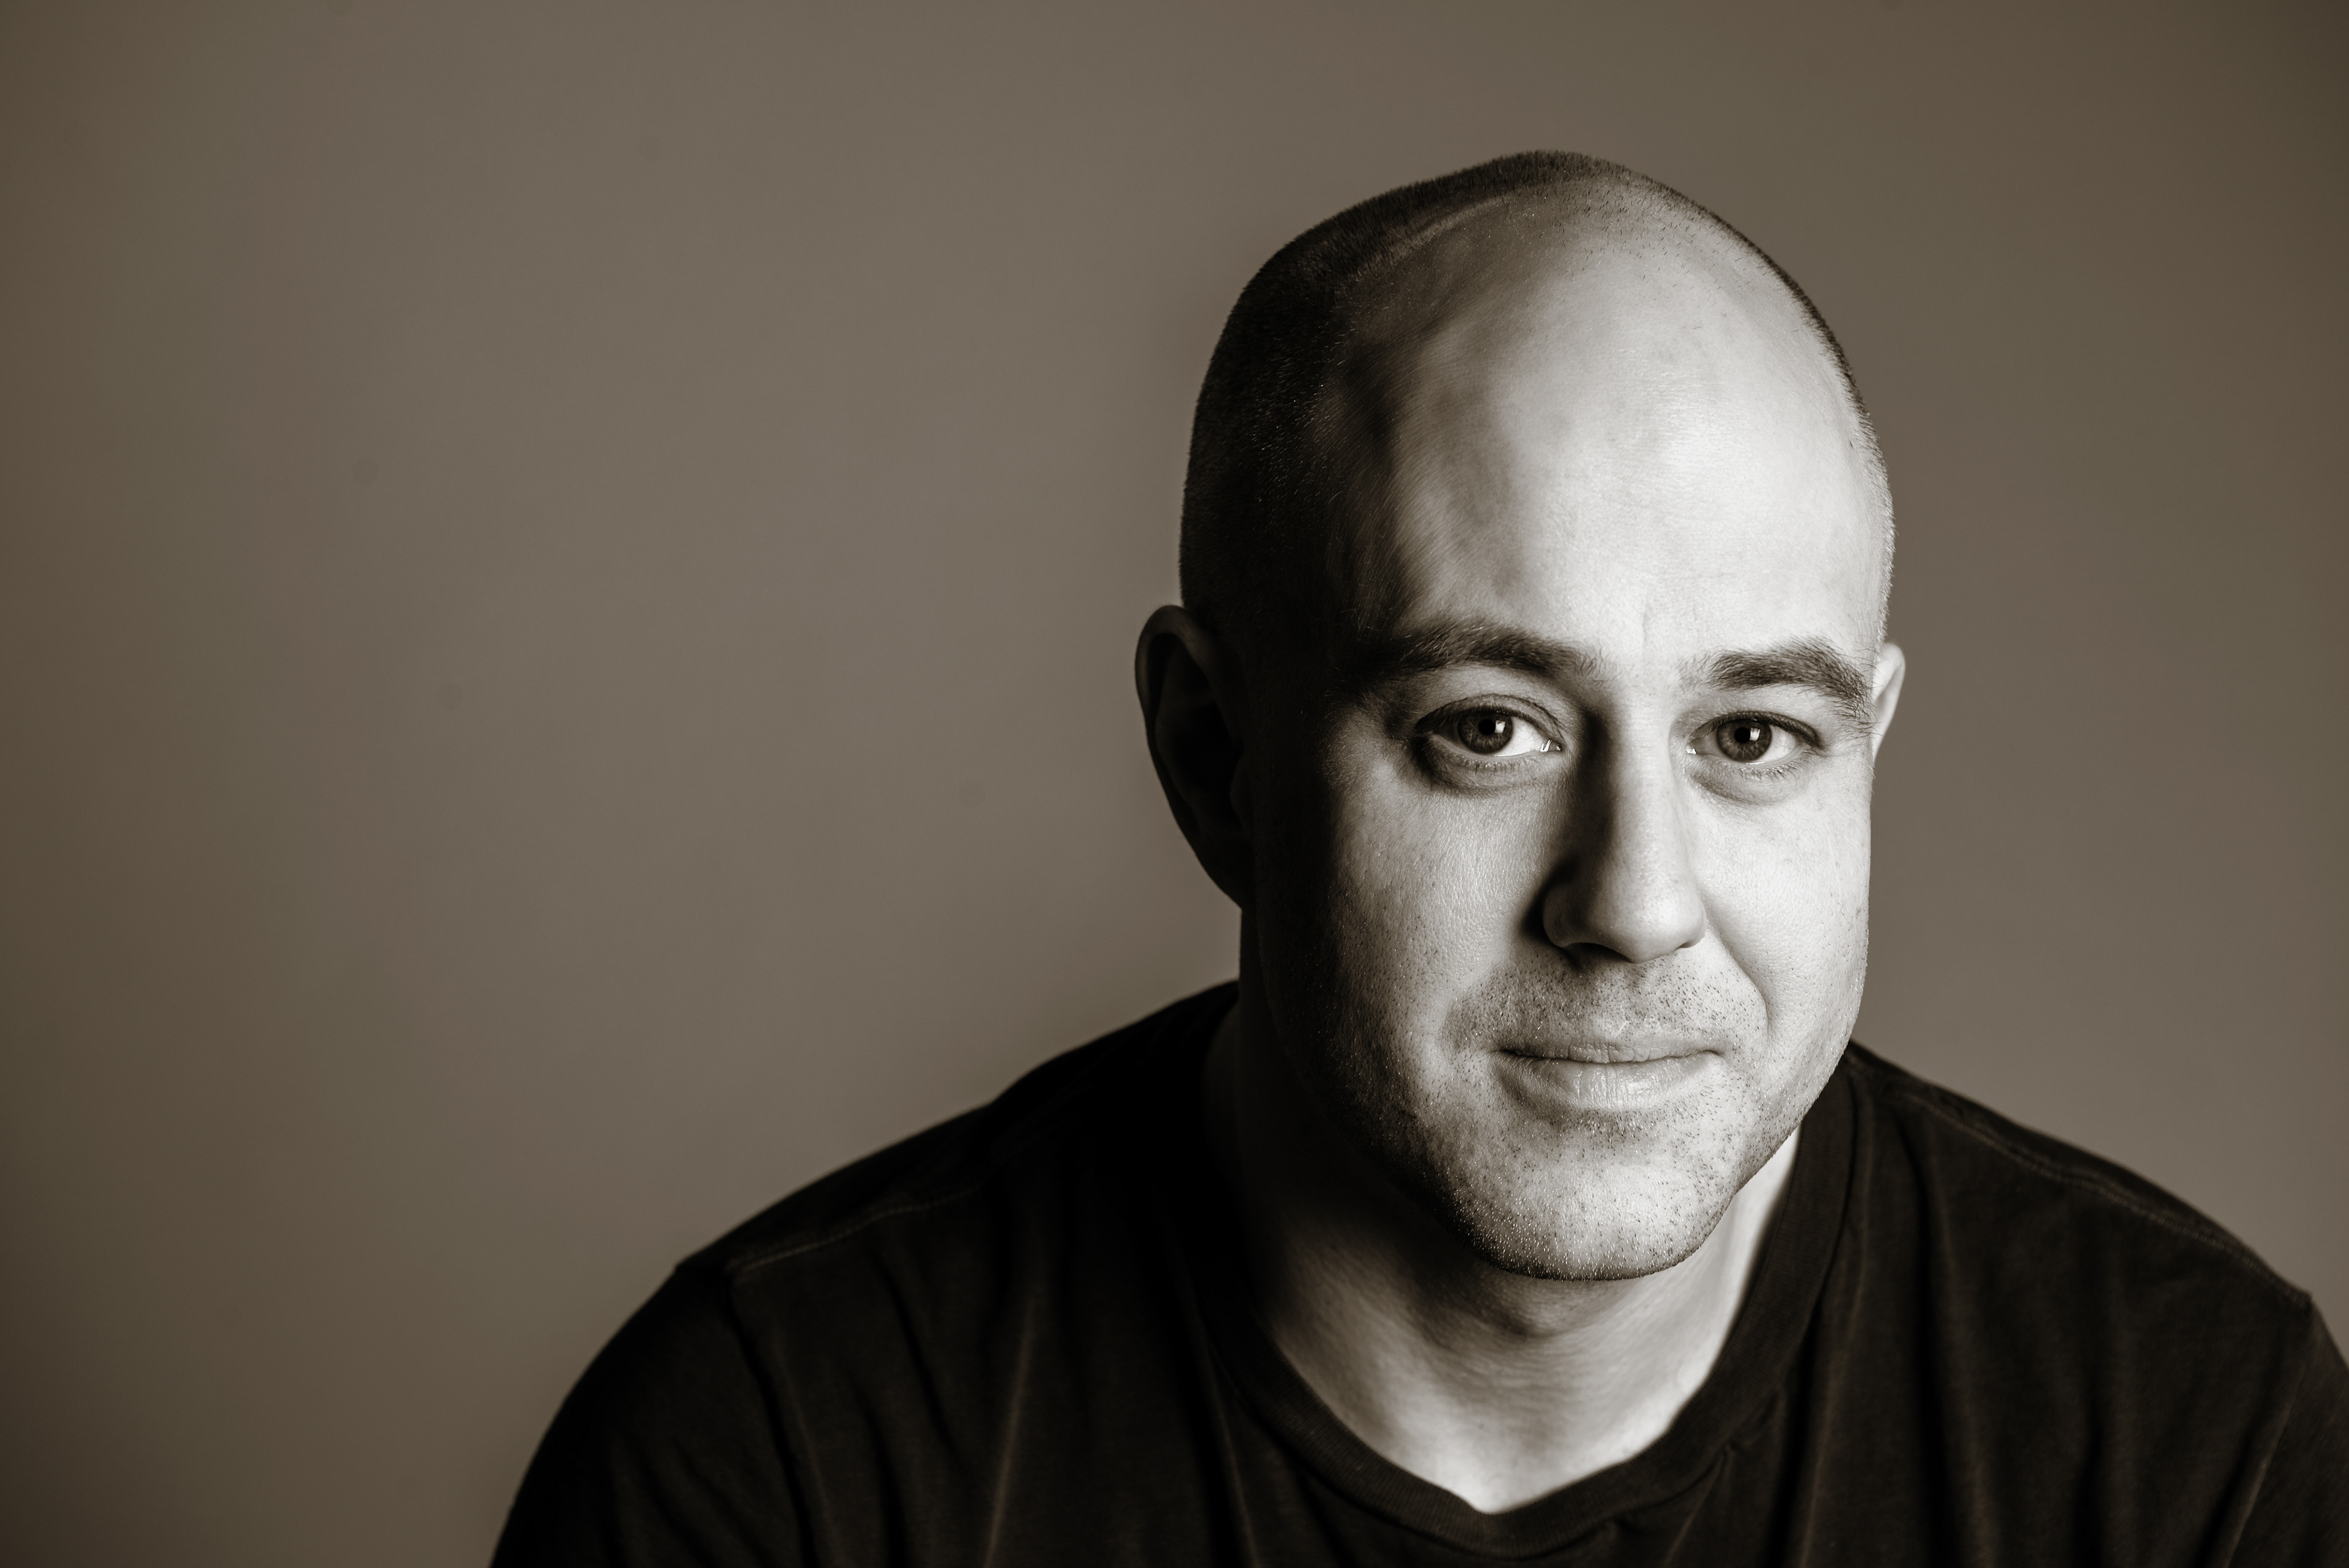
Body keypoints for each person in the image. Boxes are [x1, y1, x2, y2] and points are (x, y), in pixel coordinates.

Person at [491, 152, 2346, 1566]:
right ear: (1214, 760)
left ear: (1868, 744)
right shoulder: (782, 1463)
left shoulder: (2193, 1448)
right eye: (1489, 728)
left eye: (1751, 737)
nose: (1636, 904)